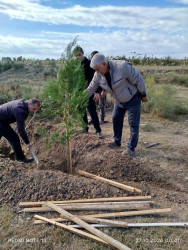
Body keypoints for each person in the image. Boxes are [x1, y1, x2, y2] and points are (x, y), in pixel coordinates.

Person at [88, 53, 148, 157]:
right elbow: (90, 88)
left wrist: (143, 94)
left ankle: (131, 148)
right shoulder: (98, 75)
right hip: (118, 101)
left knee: (133, 124)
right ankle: (116, 142)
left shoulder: (122, 67)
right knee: (116, 120)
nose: (96, 72)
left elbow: (139, 80)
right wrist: (78, 99)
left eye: (97, 69)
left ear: (104, 63)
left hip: (133, 98)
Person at [73, 46, 103, 139]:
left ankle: (98, 131)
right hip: (78, 92)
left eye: (79, 55)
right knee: (82, 112)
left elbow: (97, 78)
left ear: (83, 53)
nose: (78, 57)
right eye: (76, 55)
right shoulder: (75, 66)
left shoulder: (90, 64)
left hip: (89, 91)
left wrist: (97, 92)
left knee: (92, 111)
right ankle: (84, 129)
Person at [90, 51, 107, 125]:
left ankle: (102, 119)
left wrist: (104, 90)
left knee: (101, 104)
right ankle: (93, 119)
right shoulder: (92, 67)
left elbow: (106, 80)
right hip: (95, 90)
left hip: (101, 89)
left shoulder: (102, 66)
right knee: (93, 105)